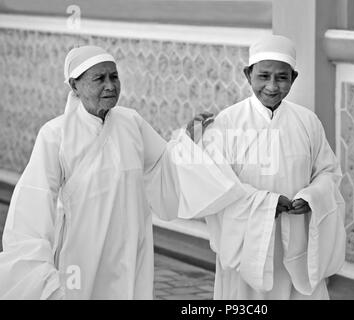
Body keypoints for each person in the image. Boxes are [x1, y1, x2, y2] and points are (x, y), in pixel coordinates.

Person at [0, 45, 242, 299]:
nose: (110, 86)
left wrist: (187, 139)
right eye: (99, 79)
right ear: (75, 86)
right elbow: (35, 199)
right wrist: (39, 268)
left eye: (114, 77)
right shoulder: (55, 135)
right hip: (82, 252)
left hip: (129, 244)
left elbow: (163, 164)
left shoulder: (131, 122)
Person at [187, 35, 346, 299]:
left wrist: (312, 198)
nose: (272, 86)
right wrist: (266, 205)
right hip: (247, 245)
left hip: (298, 243)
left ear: (293, 78)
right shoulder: (227, 122)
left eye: (282, 77)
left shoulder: (307, 122)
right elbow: (217, 185)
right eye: (263, 76)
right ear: (248, 75)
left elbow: (328, 173)